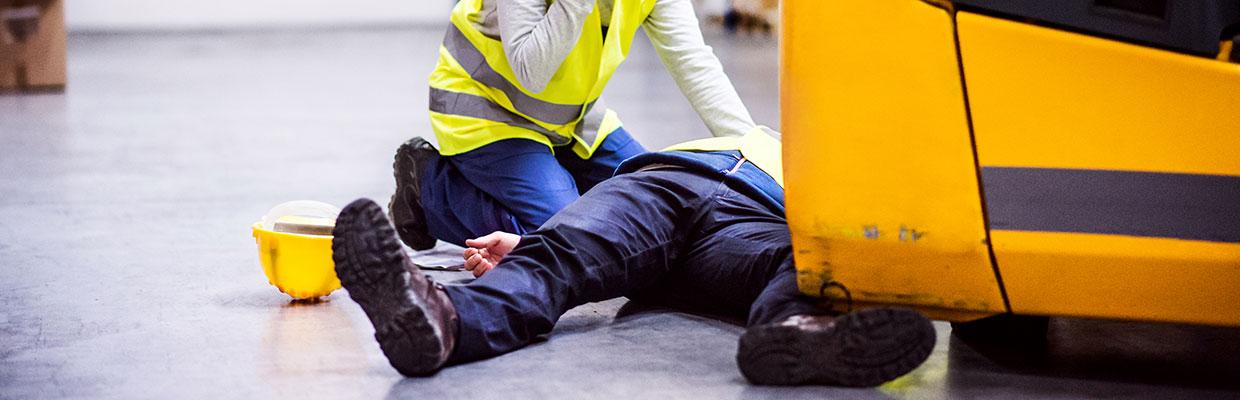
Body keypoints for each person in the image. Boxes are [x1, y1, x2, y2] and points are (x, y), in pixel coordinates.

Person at [332, 128, 937, 386]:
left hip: (755, 215)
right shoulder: (742, 136)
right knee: (559, 251)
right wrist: (526, 239)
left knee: (803, 261)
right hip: (665, 182)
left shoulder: (813, 147)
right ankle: (441, 321)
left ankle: (791, 335)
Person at [390, 0, 761, 250]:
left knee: (659, 203)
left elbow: (693, 62)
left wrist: (755, 149)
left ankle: (553, 177)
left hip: (572, 119)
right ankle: (431, 192)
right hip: (487, 111)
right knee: (575, 240)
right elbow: (531, 71)